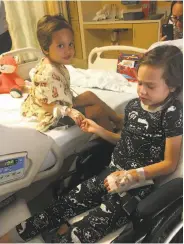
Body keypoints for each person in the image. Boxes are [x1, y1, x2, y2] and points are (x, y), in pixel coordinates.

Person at [0, 45, 183, 243]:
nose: (142, 90)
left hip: (136, 187)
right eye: (139, 82)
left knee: (81, 234)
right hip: (108, 175)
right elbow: (126, 142)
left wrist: (131, 175)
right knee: (61, 206)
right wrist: (98, 130)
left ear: (172, 86)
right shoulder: (133, 106)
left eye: (150, 86)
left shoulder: (172, 113)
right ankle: (9, 238)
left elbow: (170, 164)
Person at [21, 14, 122, 132]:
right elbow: (45, 105)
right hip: (54, 114)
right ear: (45, 49)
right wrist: (69, 112)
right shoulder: (47, 74)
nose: (68, 50)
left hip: (62, 102)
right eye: (60, 46)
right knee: (97, 110)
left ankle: (117, 119)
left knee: (89, 95)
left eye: (70, 44)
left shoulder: (56, 63)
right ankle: (112, 145)